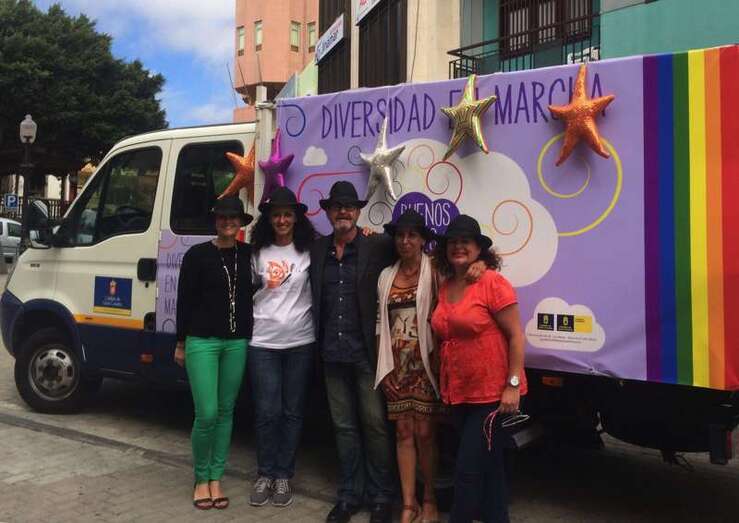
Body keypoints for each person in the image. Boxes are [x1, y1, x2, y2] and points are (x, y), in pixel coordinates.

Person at [430, 214, 527, 523]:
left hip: (490, 395)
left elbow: (516, 336)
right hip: (459, 393)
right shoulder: (446, 286)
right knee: (491, 468)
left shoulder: (492, 282)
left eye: (465, 242)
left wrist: (512, 385)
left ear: (478, 249)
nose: (458, 247)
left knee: (467, 471)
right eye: (453, 242)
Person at [309, 181, 396, 523]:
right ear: (328, 212)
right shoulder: (318, 249)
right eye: (336, 206)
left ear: (358, 212)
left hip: (365, 355)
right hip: (331, 354)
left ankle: (381, 497)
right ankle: (349, 494)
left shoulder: (377, 245)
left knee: (375, 426)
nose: (342, 211)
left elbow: (415, 253)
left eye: (348, 206)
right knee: (343, 427)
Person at [174, 196, 254, 511]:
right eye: (222, 217)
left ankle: (216, 478)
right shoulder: (196, 255)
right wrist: (180, 343)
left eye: (233, 217)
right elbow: (184, 301)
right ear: (215, 221)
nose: (228, 222)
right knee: (206, 413)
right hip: (202, 342)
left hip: (236, 343)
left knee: (225, 412)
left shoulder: (248, 254)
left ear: (241, 222)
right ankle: (200, 478)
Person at [247, 187, 316, 508]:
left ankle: (283, 475)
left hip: (300, 342)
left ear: (296, 218)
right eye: (277, 215)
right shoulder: (257, 252)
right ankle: (265, 473)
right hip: (263, 343)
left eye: (288, 214)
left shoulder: (310, 251)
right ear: (269, 219)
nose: (282, 220)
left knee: (292, 413)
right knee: (267, 412)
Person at [374, 210, 445, 523]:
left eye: (412, 235)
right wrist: (384, 367)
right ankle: (408, 503)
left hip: (426, 366)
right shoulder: (386, 276)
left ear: (422, 240)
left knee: (426, 433)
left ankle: (429, 499)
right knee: (403, 432)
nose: (405, 241)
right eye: (400, 235)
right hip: (397, 367)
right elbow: (380, 325)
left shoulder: (435, 272)